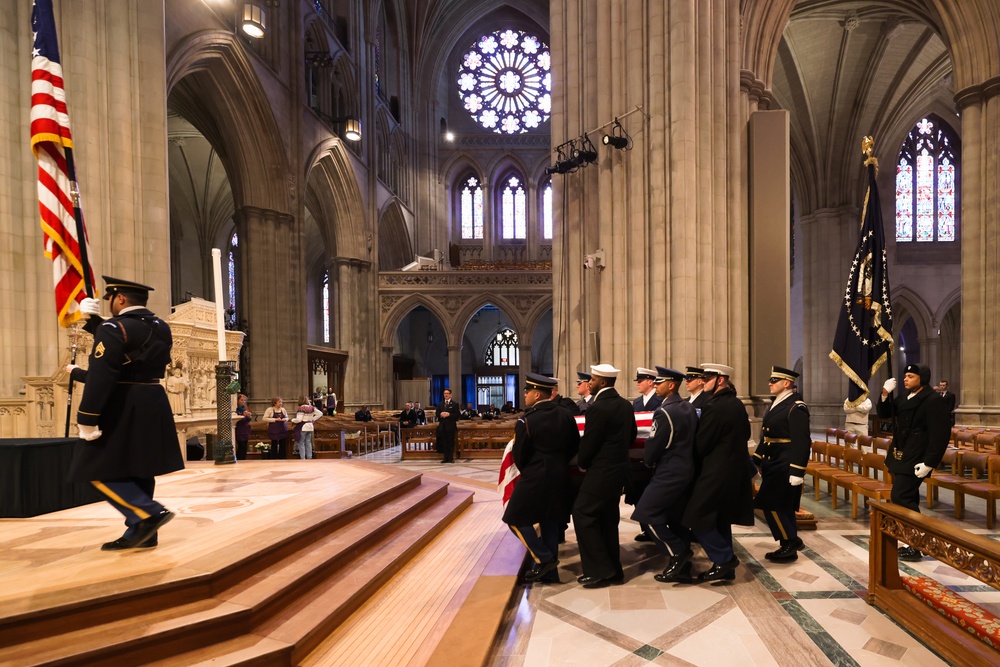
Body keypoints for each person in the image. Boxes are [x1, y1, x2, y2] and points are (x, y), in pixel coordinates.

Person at [65, 276, 183, 550]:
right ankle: (142, 533)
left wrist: (87, 418)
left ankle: (147, 511)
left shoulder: (113, 327)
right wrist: (95, 323)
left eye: (110, 299)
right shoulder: (161, 327)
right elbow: (131, 352)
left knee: (94, 467)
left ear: (119, 299)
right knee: (140, 467)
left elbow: (103, 374)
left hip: (123, 402)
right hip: (152, 399)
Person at [503, 373, 581, 584]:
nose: (525, 395)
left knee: (514, 518)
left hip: (536, 475)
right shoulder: (565, 414)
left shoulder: (527, 419)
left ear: (537, 394)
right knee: (550, 522)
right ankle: (550, 575)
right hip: (560, 473)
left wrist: (533, 469)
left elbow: (520, 455)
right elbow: (575, 444)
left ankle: (545, 559)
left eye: (527, 391)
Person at [681, 363, 754, 582]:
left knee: (696, 517)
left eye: (708, 377)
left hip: (715, 471)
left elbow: (703, 442)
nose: (703, 381)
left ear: (721, 379)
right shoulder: (736, 404)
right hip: (732, 471)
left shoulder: (715, 406)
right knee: (720, 518)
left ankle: (724, 559)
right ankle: (725, 568)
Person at [631, 367, 699, 584]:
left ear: (671, 385)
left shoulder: (665, 411)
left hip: (669, 470)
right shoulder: (688, 407)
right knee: (675, 517)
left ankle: (678, 553)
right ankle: (682, 565)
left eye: (659, 383)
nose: (655, 385)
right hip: (685, 468)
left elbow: (657, 442)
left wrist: (648, 461)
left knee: (646, 513)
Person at [876, 364, 950, 561]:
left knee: (900, 496)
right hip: (902, 451)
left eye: (910, 376)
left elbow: (940, 434)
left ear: (922, 378)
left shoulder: (933, 400)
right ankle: (912, 544)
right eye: (905, 376)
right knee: (908, 497)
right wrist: (884, 393)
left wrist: (930, 462)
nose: (905, 379)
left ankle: (916, 543)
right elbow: (885, 413)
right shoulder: (905, 397)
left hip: (917, 455)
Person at [573, 363, 637, 588]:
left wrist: (583, 463)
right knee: (607, 518)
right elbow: (633, 435)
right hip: (620, 469)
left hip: (601, 470)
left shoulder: (598, 408)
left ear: (603, 382)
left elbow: (590, 442)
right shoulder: (624, 405)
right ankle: (613, 570)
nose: (589, 382)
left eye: (592, 379)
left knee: (582, 512)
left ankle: (599, 569)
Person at [753, 366, 811, 563]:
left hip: (785, 465)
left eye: (774, 381)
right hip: (773, 462)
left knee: (771, 505)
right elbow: (768, 436)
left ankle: (791, 541)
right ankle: (787, 546)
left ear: (786, 383)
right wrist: (757, 459)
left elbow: (802, 441)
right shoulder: (778, 403)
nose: (770, 383)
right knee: (782, 506)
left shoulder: (797, 406)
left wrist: (797, 470)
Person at [629, 367, 660, 543]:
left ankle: (655, 529)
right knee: (638, 493)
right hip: (638, 456)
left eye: (641, 381)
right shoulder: (637, 403)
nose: (638, 384)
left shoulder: (659, 401)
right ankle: (646, 530)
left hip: (653, 454)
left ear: (650, 382)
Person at [435, 388, 459, 463]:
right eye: (445, 393)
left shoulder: (455, 404)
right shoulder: (440, 404)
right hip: (443, 426)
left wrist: (449, 414)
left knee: (450, 442)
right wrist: (441, 414)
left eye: (447, 393)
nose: (446, 395)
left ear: (450, 395)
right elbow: (437, 414)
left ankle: (451, 458)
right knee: (444, 442)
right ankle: (445, 458)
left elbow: (457, 415)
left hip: (451, 426)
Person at [234, 393, 253, 460]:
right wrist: (243, 415)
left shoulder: (245, 408)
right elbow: (236, 420)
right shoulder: (235, 409)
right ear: (237, 400)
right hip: (239, 429)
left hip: (245, 429)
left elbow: (248, 420)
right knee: (241, 446)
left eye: (244, 400)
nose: (243, 402)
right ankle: (239, 459)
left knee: (245, 447)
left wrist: (249, 416)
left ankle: (243, 460)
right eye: (241, 400)